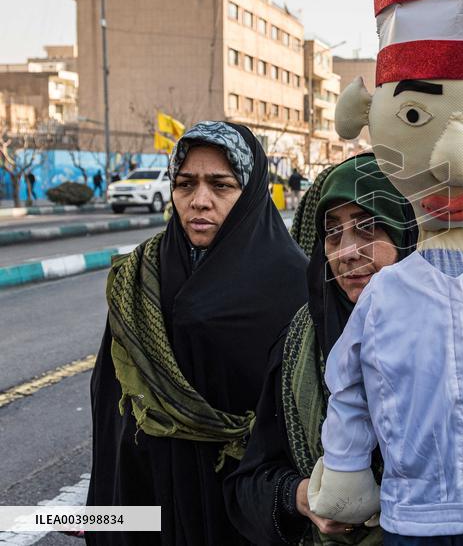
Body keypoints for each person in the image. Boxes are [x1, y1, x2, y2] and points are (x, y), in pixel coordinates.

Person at [86, 121, 308, 545]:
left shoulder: (292, 282)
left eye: (220, 185)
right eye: (185, 184)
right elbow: (110, 399)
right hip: (149, 486)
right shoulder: (143, 273)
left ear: (251, 191)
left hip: (239, 500)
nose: (199, 201)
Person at [225, 154, 417, 545]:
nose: (347, 252)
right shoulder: (300, 345)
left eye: (369, 228)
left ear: (408, 235)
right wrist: (301, 497)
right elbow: (248, 483)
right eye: (333, 233)